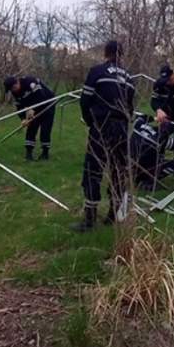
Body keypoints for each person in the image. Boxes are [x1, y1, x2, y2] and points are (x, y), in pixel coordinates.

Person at [71, 40, 136, 232]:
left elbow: (85, 101)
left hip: (101, 126)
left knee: (92, 170)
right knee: (118, 171)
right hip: (122, 129)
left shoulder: (97, 71)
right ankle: (112, 215)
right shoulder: (129, 78)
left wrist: (91, 121)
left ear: (105, 54)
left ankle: (89, 220)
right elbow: (130, 108)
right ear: (121, 55)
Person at [3, 75, 56, 161]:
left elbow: (41, 95)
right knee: (31, 128)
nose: (12, 91)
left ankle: (45, 154)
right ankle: (29, 154)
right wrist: (23, 118)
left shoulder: (30, 82)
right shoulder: (15, 92)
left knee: (45, 129)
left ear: (16, 84)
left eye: (12, 88)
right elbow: (19, 106)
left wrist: (33, 108)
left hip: (48, 104)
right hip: (34, 108)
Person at [130, 113, 174, 191]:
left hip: (130, 163)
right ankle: (147, 180)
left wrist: (154, 118)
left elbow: (140, 118)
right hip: (144, 169)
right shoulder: (161, 138)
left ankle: (138, 177)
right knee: (173, 165)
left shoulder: (141, 126)